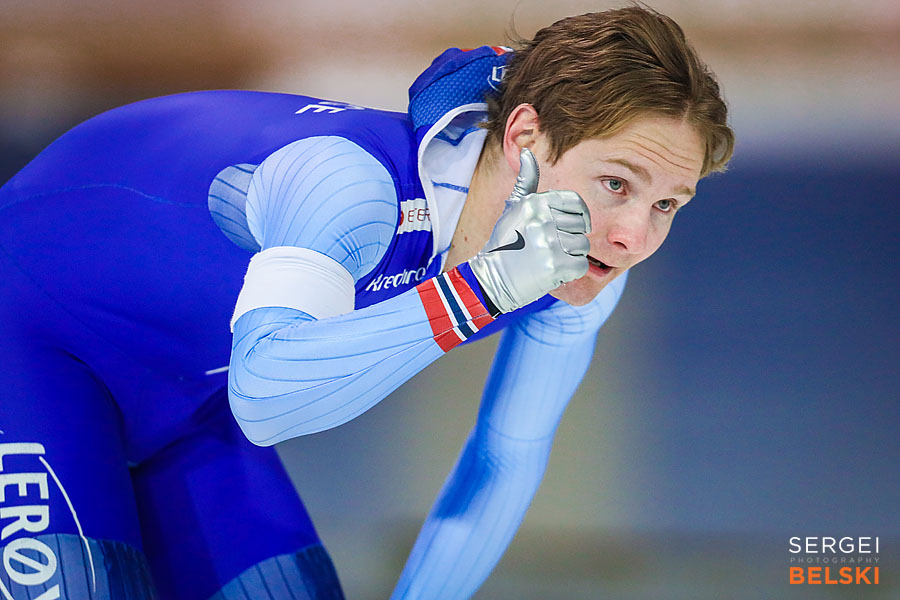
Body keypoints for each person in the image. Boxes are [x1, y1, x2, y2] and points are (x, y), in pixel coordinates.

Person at [0, 6, 733, 600]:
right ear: (525, 137)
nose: (634, 235)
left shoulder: (579, 258)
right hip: (28, 352)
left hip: (188, 412)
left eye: (668, 203)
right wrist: (480, 293)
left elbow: (504, 460)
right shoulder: (351, 188)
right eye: (617, 184)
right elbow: (266, 397)